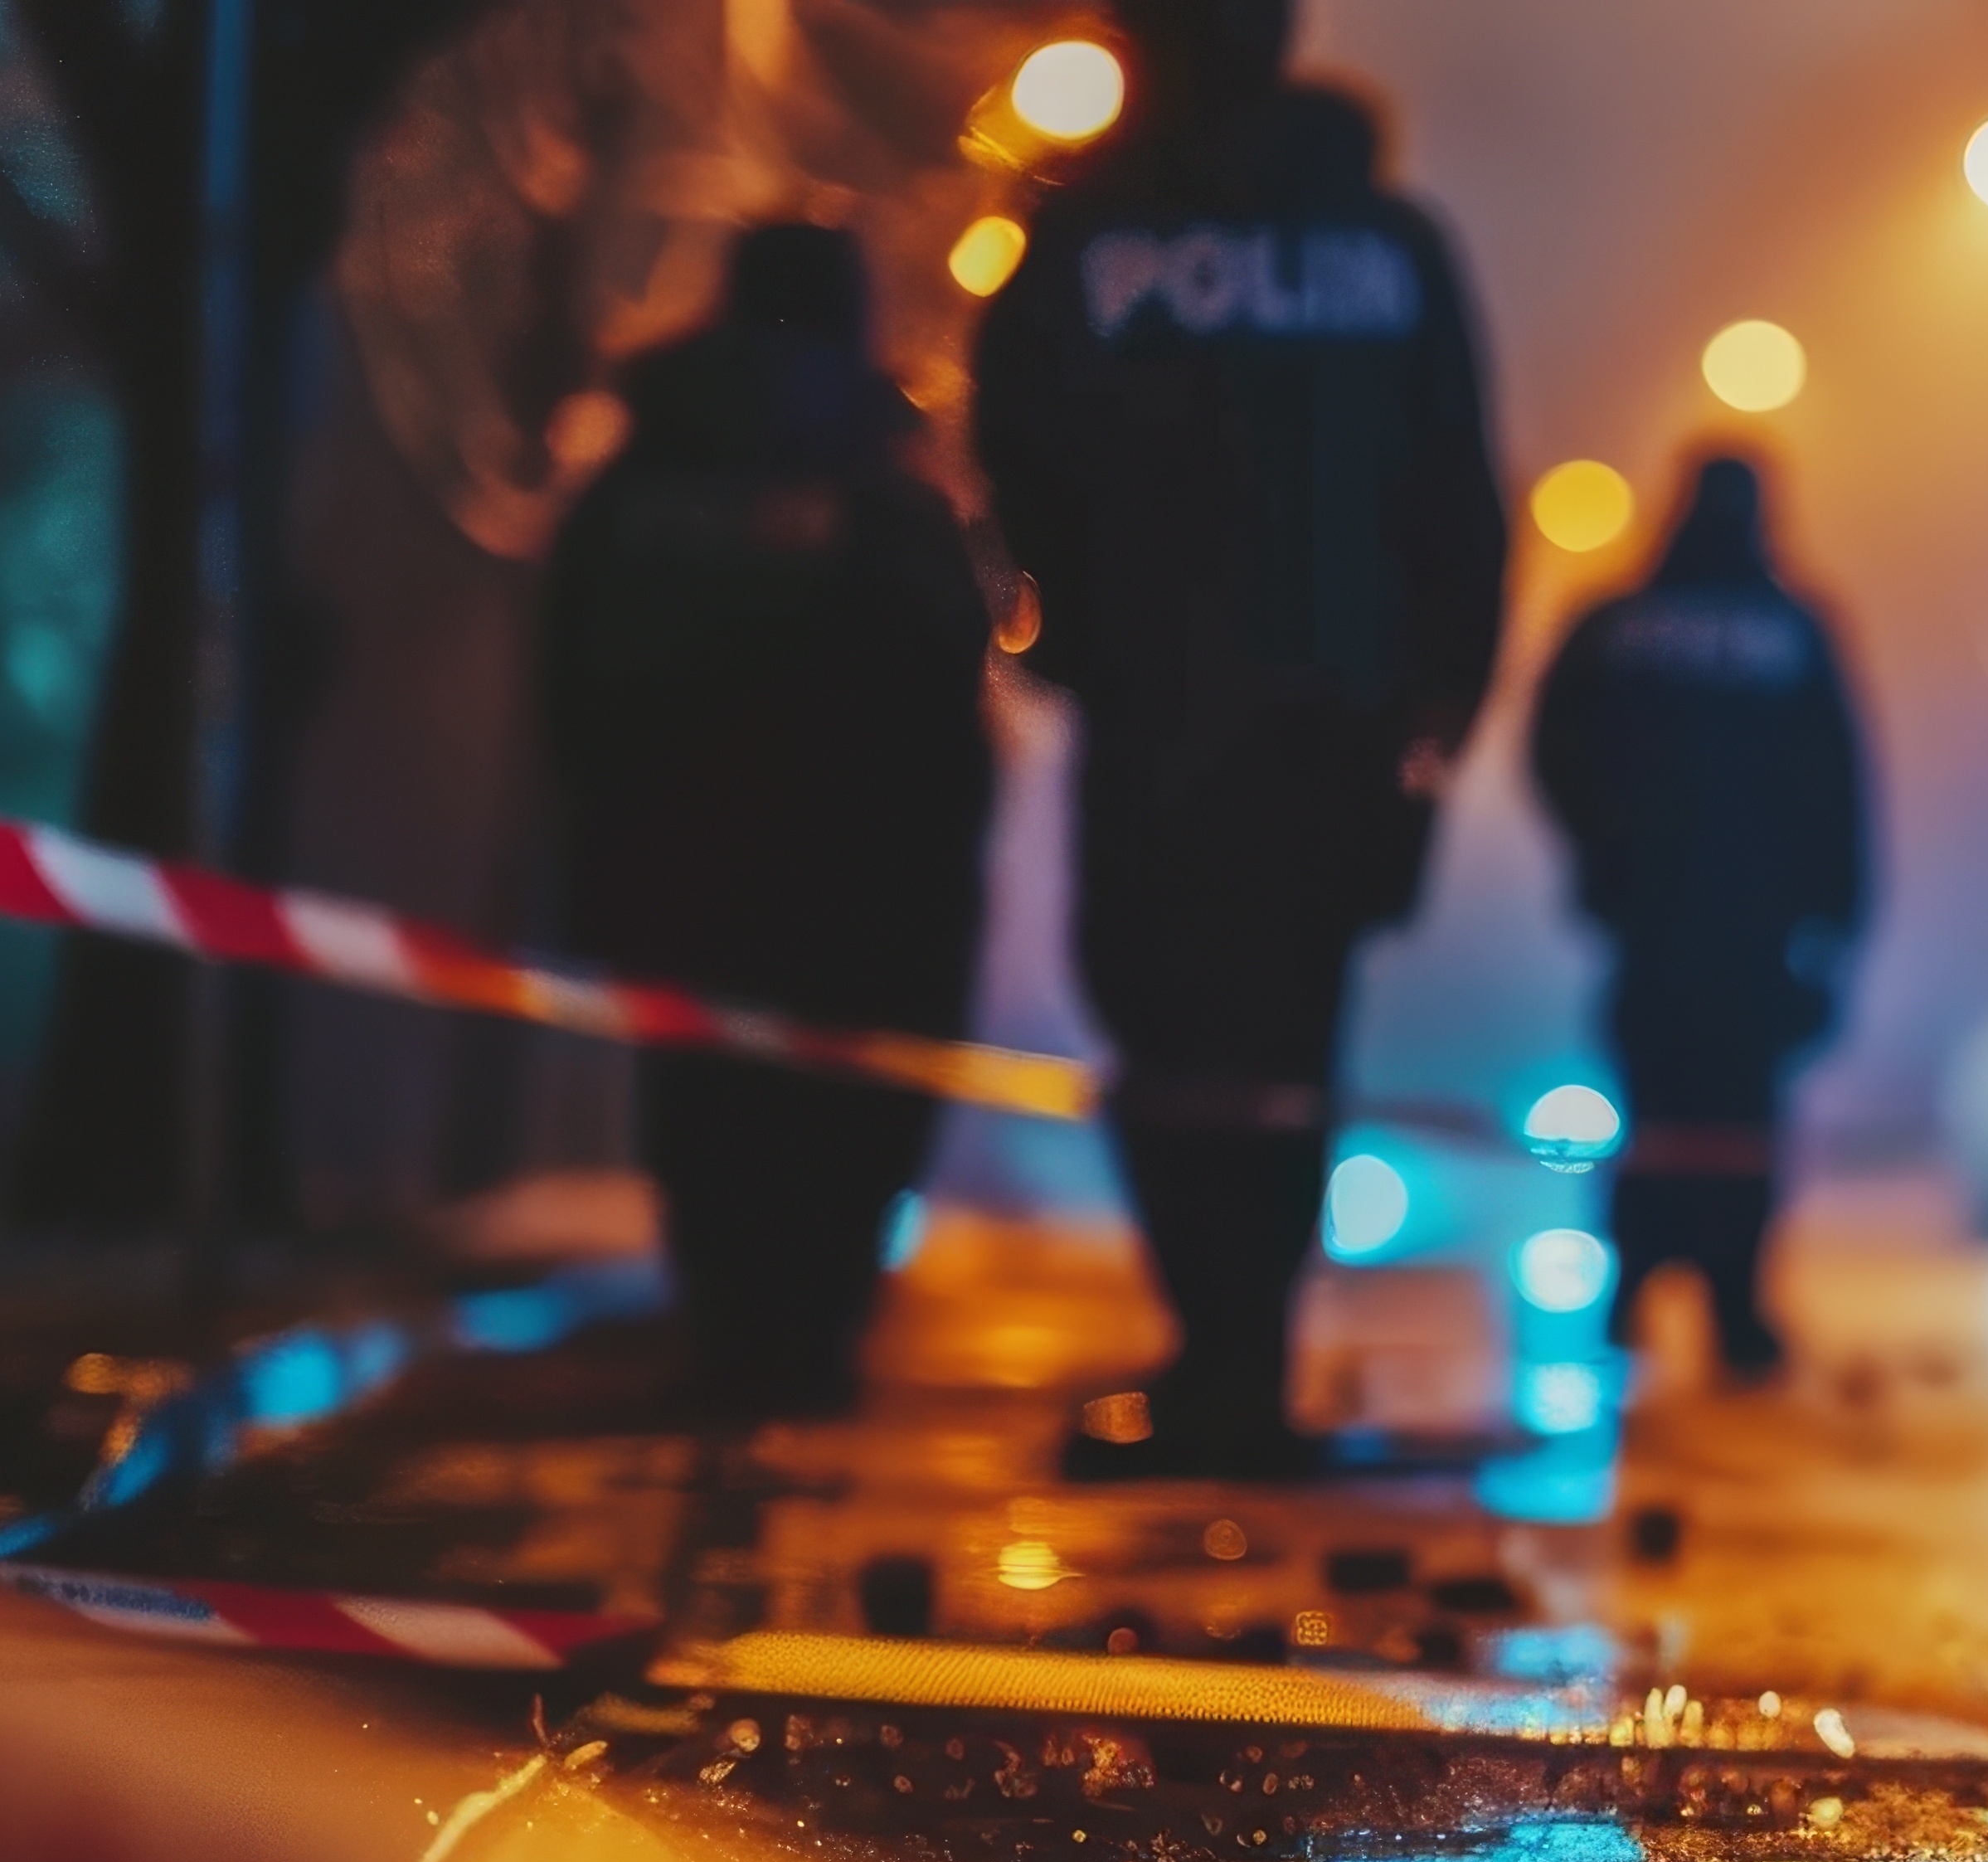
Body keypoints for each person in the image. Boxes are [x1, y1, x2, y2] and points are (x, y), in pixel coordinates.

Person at [973, 0, 1505, 1479]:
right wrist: (1434, 709)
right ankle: (1237, 1357)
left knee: (1165, 1032)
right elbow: (1456, 490)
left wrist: (1066, 637)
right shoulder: (1388, 250)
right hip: (1331, 732)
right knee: (1284, 1046)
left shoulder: (1081, 240)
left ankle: (1221, 1361)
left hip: (1160, 720)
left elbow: (1008, 453)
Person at [541, 221, 993, 1422]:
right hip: (865, 893)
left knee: (703, 1112)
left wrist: (609, 840)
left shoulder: (640, 484)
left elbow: (570, 679)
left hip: (682, 877)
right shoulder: (884, 495)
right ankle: (812, 1337)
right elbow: (948, 707)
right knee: (848, 1122)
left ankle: (730, 1336)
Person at [1529, 454, 1870, 1384]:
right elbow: (1838, 784)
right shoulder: (1794, 632)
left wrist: (1602, 857)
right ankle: (1735, 1303)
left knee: (1651, 1104)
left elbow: (1552, 745)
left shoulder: (1616, 625)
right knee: (1739, 1117)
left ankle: (1634, 1284)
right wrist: (1837, 919)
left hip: (1648, 923)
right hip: (1756, 935)